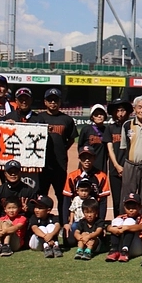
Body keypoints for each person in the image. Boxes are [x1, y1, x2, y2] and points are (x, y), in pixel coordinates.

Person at [37, 88, 77, 226]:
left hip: (60, 164)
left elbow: (71, 138)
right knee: (41, 195)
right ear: (45, 102)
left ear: (60, 102)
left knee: (62, 196)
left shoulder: (67, 119)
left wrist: (63, 148)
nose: (53, 103)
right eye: (50, 100)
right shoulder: (38, 118)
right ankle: (40, 222)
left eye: (56, 100)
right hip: (42, 164)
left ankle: (62, 222)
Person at [119, 95, 142, 216]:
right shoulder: (127, 125)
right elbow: (123, 148)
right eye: (139, 107)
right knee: (127, 195)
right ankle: (125, 220)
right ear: (134, 109)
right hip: (130, 165)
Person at [64, 144, 110, 221]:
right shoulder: (72, 176)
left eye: (90, 157)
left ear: (94, 158)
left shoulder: (101, 176)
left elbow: (103, 202)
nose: (87, 160)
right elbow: (67, 199)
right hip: (77, 217)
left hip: (94, 217)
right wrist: (65, 223)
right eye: (84, 157)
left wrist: (101, 221)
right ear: (79, 159)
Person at [105, 97, 133, 217]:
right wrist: (117, 166)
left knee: (130, 199)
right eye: (117, 110)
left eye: (122, 110)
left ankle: (130, 221)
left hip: (130, 168)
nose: (120, 113)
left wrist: (127, 166)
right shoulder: (110, 128)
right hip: (115, 169)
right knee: (117, 200)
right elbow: (110, 148)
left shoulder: (132, 126)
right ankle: (117, 220)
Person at [105, 194, 142, 262]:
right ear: (124, 207)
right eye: (128, 207)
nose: (131, 210)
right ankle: (114, 250)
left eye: (134, 207)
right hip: (121, 244)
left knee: (129, 221)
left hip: (136, 246)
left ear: (140, 207)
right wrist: (111, 229)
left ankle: (125, 250)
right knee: (117, 220)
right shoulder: (121, 216)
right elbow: (108, 227)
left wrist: (126, 228)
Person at [76, 103, 111, 174]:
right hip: (87, 164)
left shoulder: (108, 130)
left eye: (101, 114)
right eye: (96, 114)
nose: (99, 116)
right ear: (92, 117)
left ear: (105, 116)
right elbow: (80, 146)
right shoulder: (86, 130)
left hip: (101, 164)